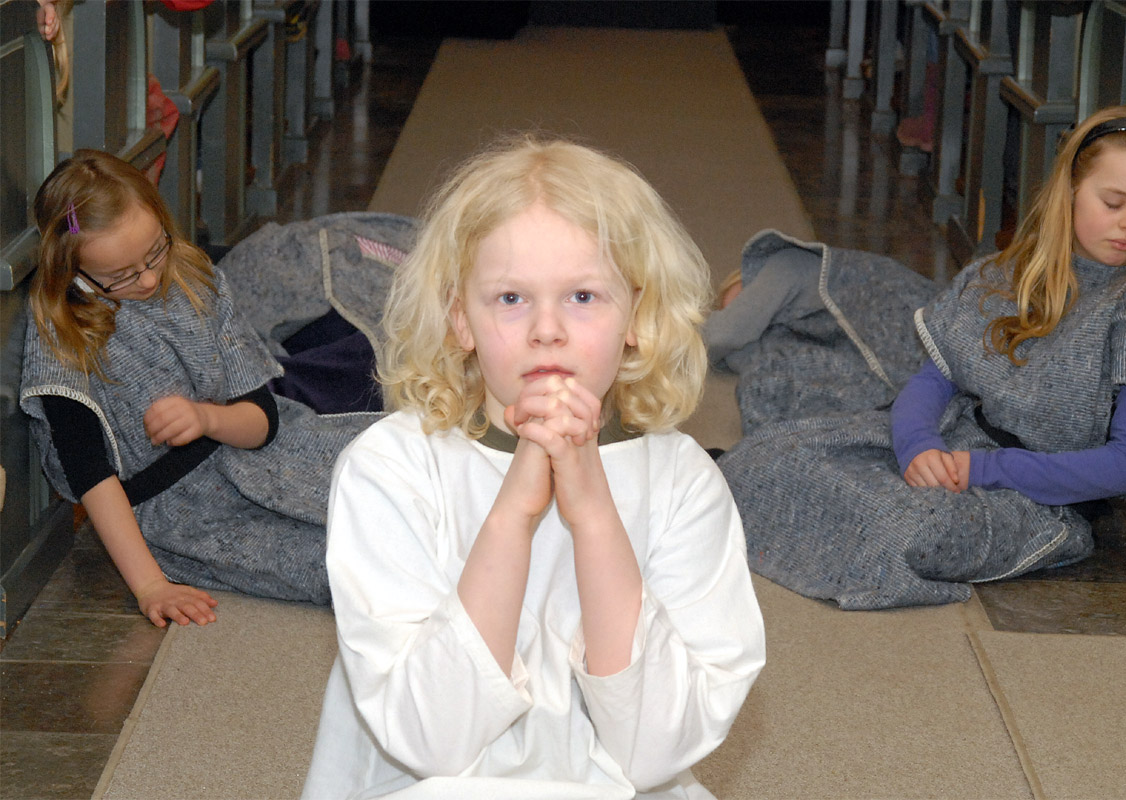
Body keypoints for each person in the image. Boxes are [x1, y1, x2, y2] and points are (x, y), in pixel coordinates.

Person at [301, 136, 766, 799]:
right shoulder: (389, 469)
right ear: (460, 319)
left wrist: (596, 517)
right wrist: (513, 516)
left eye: (583, 296)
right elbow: (434, 742)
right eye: (511, 298)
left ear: (636, 315)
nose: (547, 329)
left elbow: (654, 750)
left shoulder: (682, 482)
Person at [709, 103, 1126, 609]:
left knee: (913, 529)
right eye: (1113, 202)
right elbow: (934, 380)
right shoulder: (1006, 272)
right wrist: (919, 447)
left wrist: (979, 470)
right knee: (774, 452)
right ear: (1070, 189)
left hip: (1039, 500)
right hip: (957, 441)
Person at [20, 150, 386, 627]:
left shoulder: (195, 281)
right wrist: (150, 586)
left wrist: (206, 418)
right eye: (121, 275)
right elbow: (92, 478)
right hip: (189, 517)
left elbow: (263, 420)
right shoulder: (65, 342)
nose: (149, 278)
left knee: (389, 470)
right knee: (342, 562)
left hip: (253, 448)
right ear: (70, 271)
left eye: (156, 251)